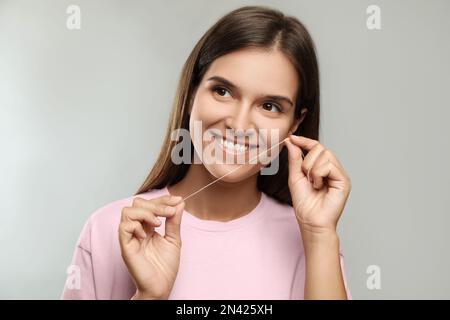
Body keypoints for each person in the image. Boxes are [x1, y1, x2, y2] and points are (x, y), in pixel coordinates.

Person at [62, 5, 352, 300]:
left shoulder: (312, 240)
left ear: (295, 123)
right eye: (223, 91)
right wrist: (149, 296)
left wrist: (319, 237)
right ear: (191, 94)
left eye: (270, 106)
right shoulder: (108, 231)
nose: (239, 125)